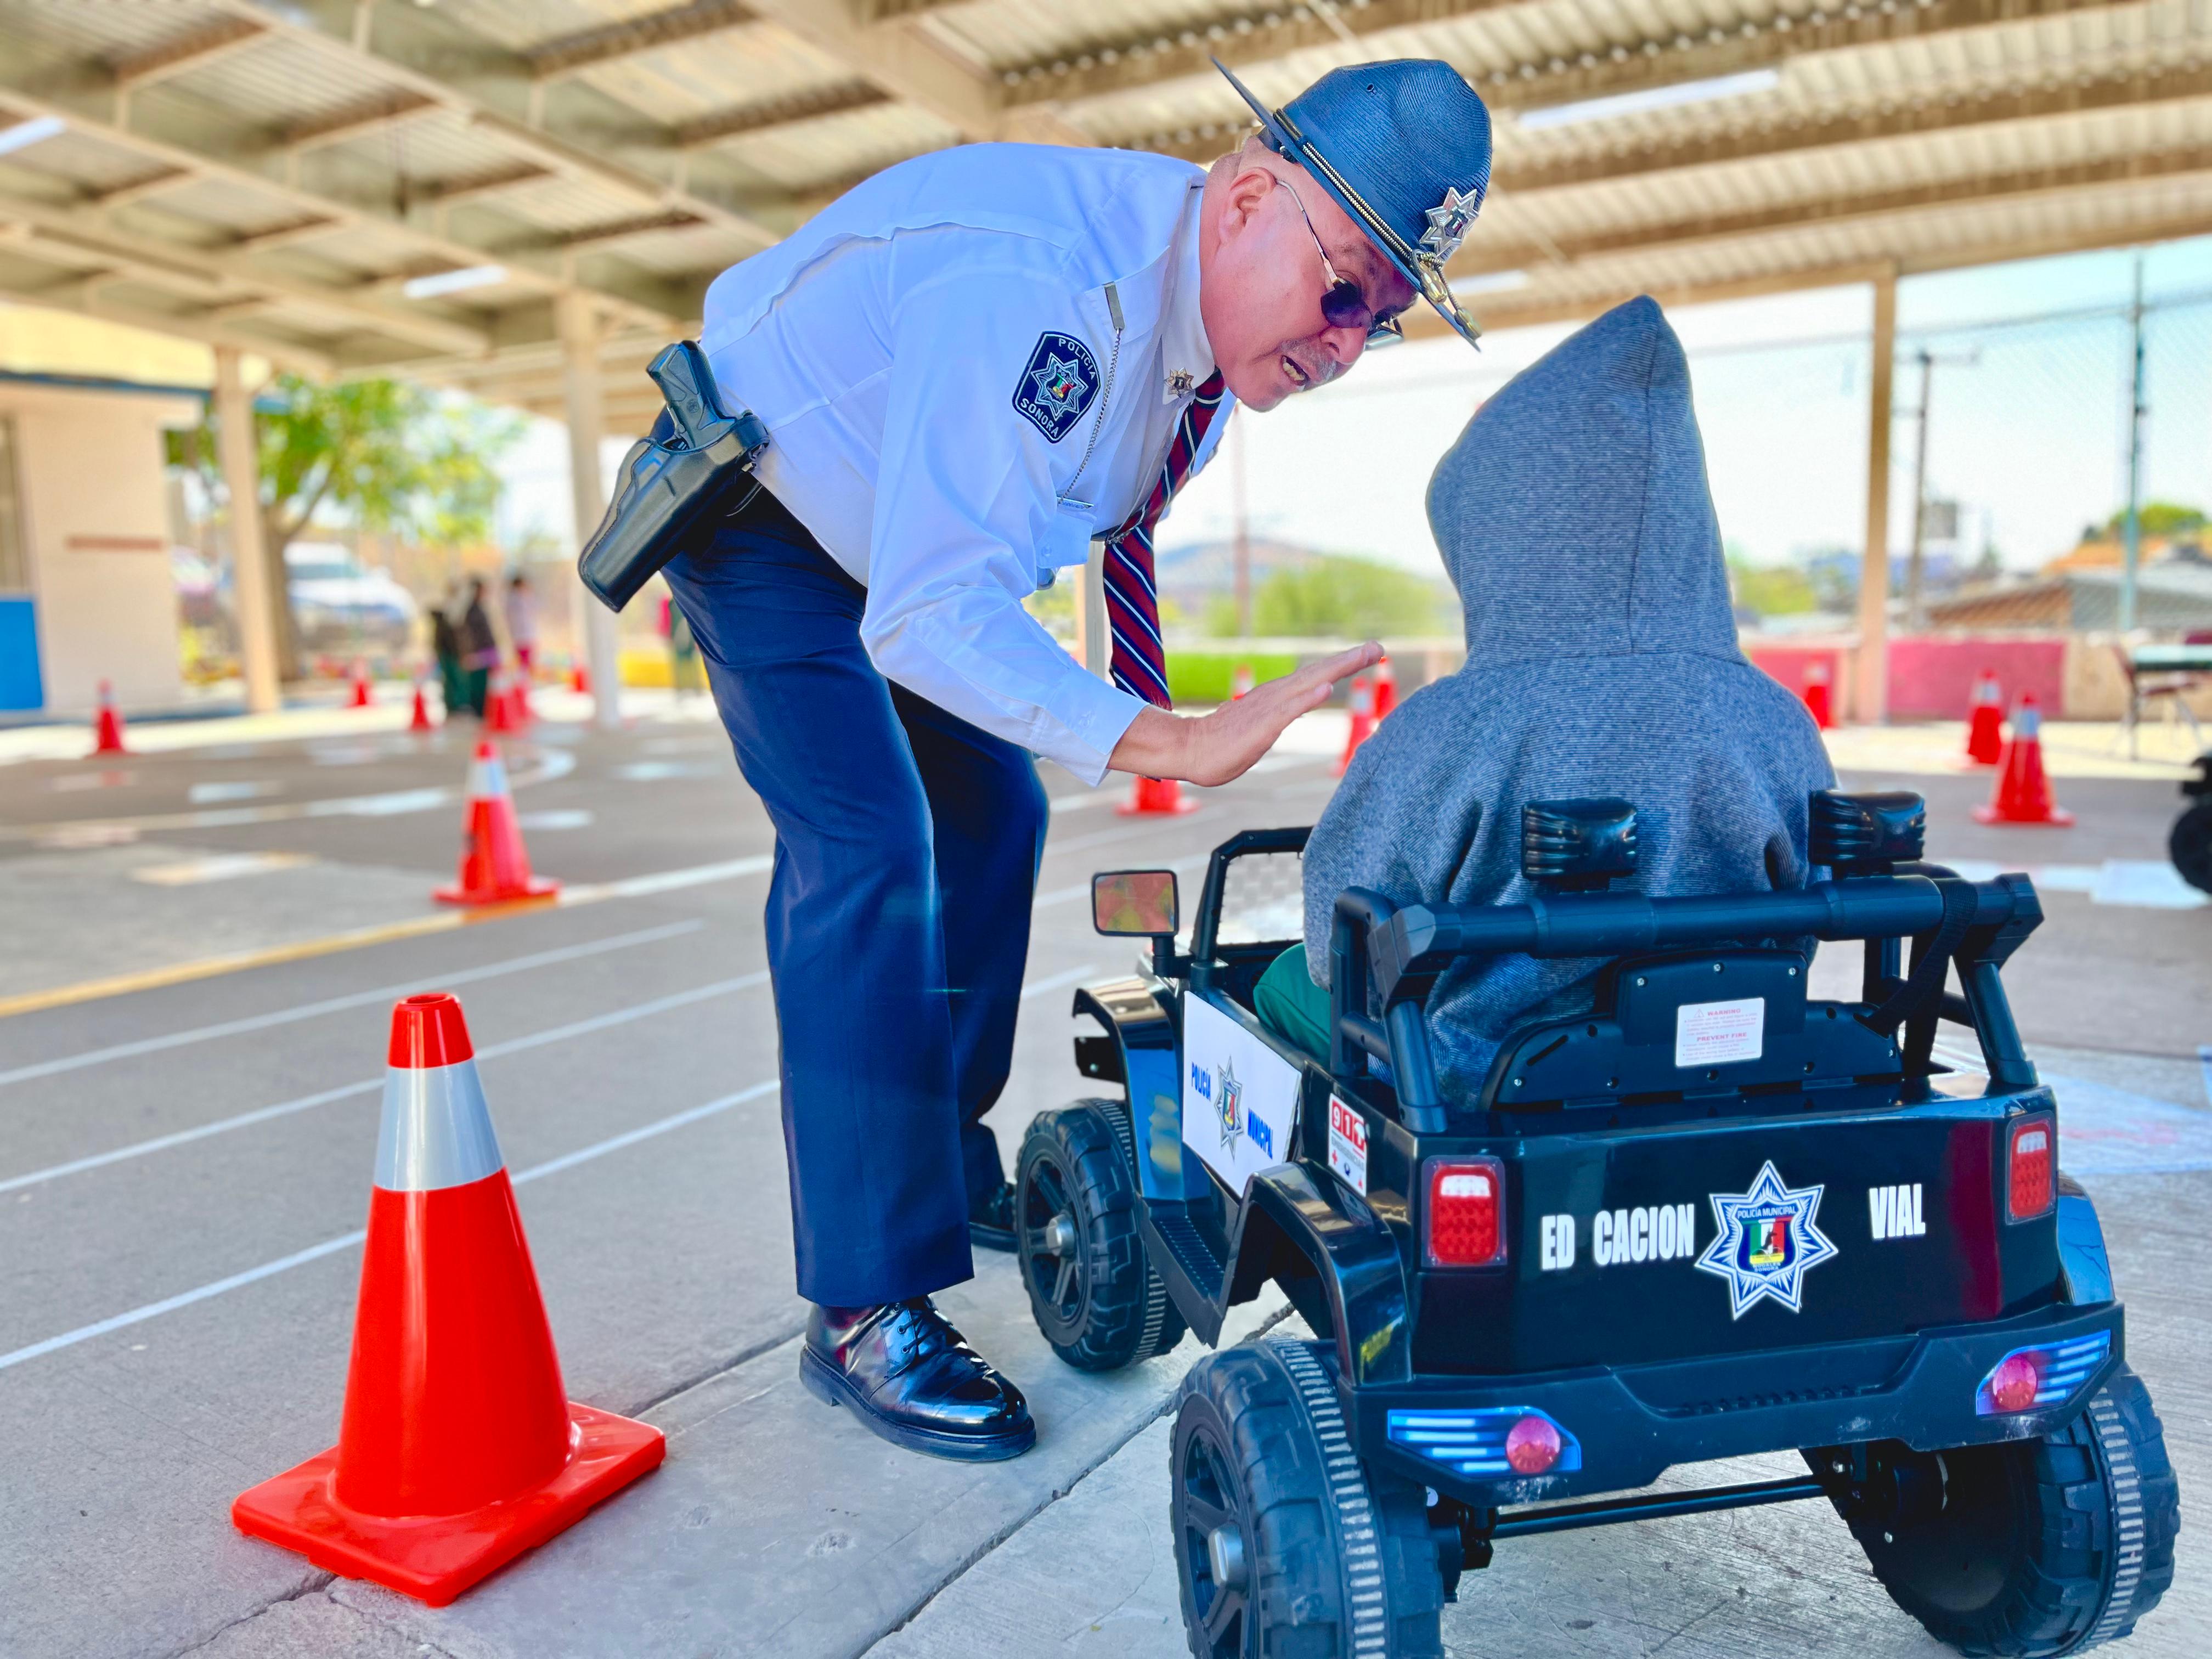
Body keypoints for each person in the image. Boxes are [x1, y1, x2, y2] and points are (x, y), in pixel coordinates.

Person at [648, 58, 1496, 1463]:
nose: (1346, 342)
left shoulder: (1211, 331)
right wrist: (1161, 731)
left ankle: (941, 1148)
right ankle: (865, 1307)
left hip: (889, 525)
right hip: (765, 507)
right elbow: (929, 605)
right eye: (1344, 288)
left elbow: (1023, 528)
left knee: (992, 816)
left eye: (1382, 321)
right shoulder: (1041, 296)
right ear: (1245, 198)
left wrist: (1106, 706)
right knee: (868, 846)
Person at [1256, 297, 1836, 1097]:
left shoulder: (1447, 727)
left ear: (1503, 534)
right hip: (1740, 1057)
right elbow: (1805, 922)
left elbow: (1337, 947)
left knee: (1281, 979)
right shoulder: (1777, 719)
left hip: (1490, 1078)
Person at [456, 577, 496, 718]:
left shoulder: (478, 608)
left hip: (484, 652)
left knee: (483, 683)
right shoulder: (471, 611)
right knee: (478, 684)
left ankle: (482, 710)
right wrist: (468, 653)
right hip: (478, 653)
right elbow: (467, 635)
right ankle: (479, 711)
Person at [430, 582, 464, 721]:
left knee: (452, 679)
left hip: (449, 651)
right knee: (451, 679)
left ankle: (454, 705)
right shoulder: (451, 610)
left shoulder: (452, 609)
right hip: (449, 651)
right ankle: (452, 705)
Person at [502, 572, 539, 680]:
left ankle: (523, 684)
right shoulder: (520, 599)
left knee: (524, 664)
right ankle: (523, 684)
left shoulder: (511, 599)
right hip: (524, 636)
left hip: (519, 636)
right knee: (525, 664)